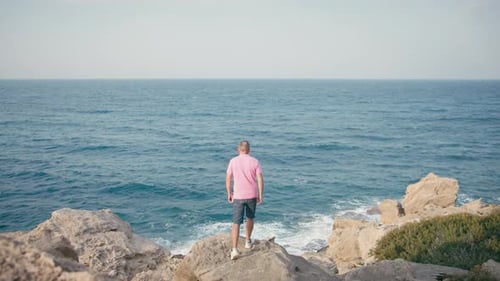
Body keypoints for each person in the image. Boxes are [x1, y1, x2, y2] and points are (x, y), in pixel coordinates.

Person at [226, 140, 264, 260]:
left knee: (236, 223)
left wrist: (229, 193)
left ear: (239, 150)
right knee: (250, 218)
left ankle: (235, 249)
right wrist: (260, 194)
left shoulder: (233, 161)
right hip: (252, 195)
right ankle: (248, 241)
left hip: (238, 196)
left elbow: (228, 178)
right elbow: (260, 179)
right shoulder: (255, 161)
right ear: (249, 150)